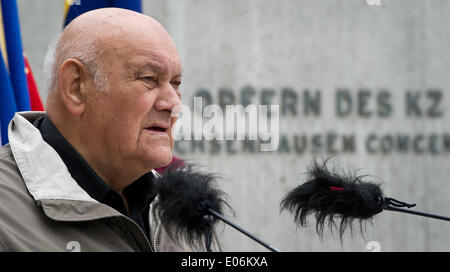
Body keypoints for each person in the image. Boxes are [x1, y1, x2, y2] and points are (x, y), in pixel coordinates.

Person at [0, 8, 199, 252]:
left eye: (175, 83)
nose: (173, 104)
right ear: (76, 87)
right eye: (149, 78)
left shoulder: (180, 210)